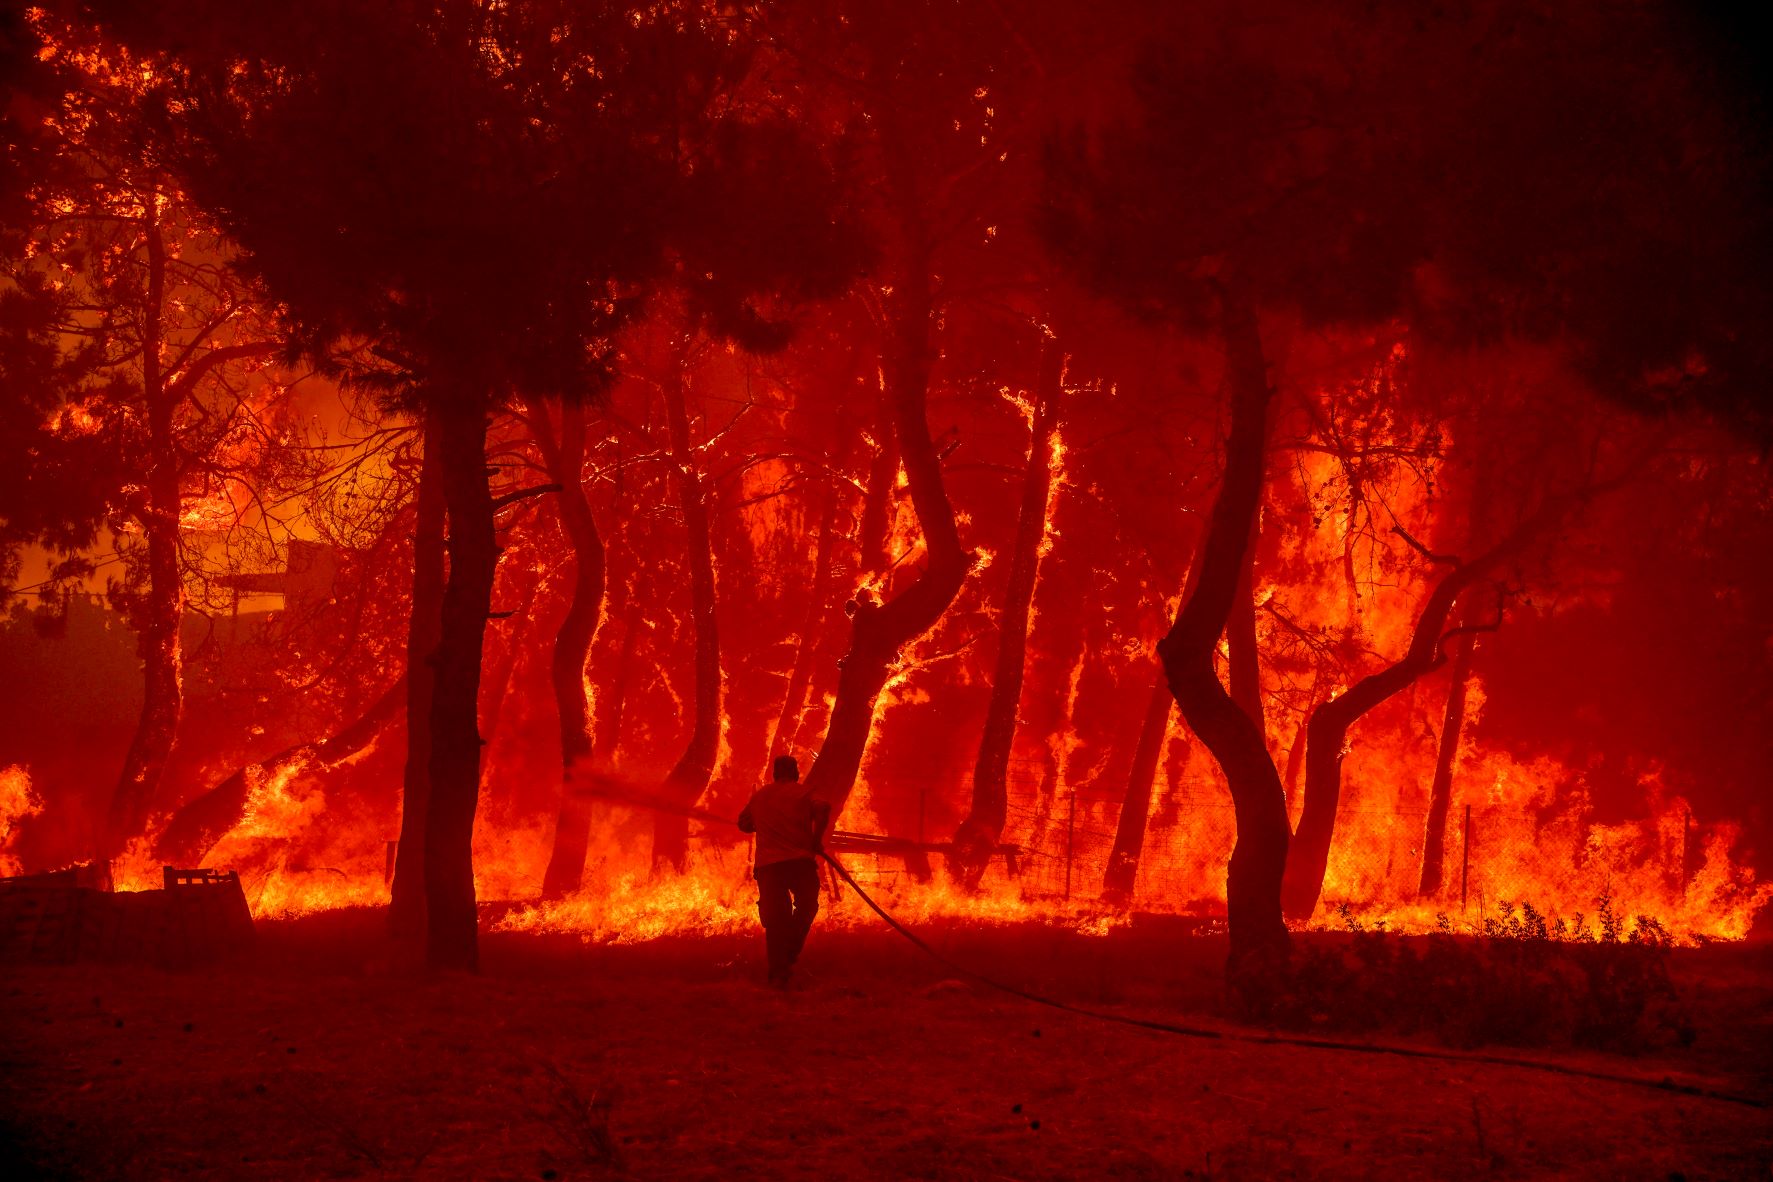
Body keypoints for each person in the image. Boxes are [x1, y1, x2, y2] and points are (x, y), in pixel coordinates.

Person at [736, 755, 831, 988]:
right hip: (800, 862)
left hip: (769, 866)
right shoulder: (804, 792)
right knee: (807, 907)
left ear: (774, 773)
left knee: (776, 920)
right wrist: (816, 840)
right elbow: (824, 808)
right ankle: (788, 955)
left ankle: (778, 972)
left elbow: (744, 823)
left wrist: (764, 822)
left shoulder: (760, 796)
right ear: (796, 772)